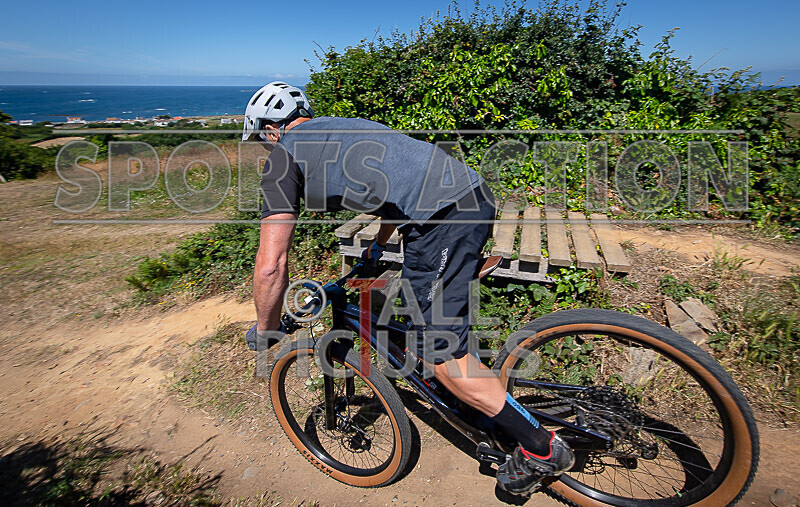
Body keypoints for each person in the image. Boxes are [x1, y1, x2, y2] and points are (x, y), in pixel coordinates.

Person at [242, 81, 574, 494]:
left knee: (438, 355)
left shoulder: (282, 160)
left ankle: (541, 449)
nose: (267, 148)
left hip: (441, 219)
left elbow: (271, 265)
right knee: (436, 318)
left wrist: (267, 327)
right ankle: (481, 396)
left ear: (273, 128)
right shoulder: (347, 126)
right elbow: (394, 191)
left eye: (262, 138)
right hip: (472, 194)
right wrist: (377, 248)